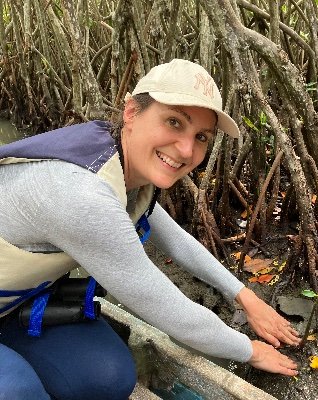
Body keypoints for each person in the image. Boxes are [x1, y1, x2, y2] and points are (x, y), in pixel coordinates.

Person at [0, 59, 299, 400]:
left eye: (201, 137)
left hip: (12, 308)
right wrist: (251, 350)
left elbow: (175, 240)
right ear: (131, 112)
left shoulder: (119, 162)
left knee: (108, 376)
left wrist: (244, 296)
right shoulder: (80, 194)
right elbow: (170, 311)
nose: (187, 150)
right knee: (17, 392)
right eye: (174, 121)